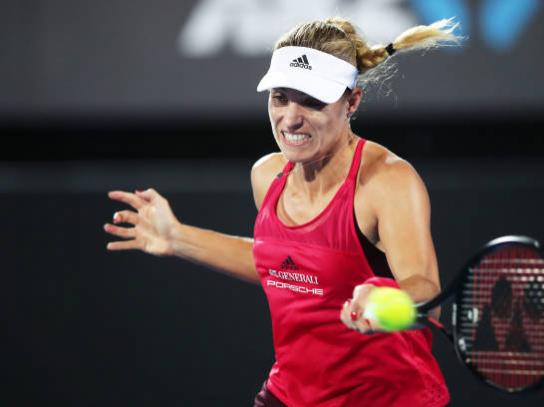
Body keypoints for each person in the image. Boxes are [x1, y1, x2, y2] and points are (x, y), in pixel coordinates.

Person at [105, 16, 460, 407]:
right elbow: (283, 266)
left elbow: (427, 293)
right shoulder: (267, 175)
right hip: (290, 395)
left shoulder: (387, 181)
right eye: (281, 97)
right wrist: (178, 237)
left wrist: (385, 300)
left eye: (312, 101)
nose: (291, 118)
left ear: (352, 101)